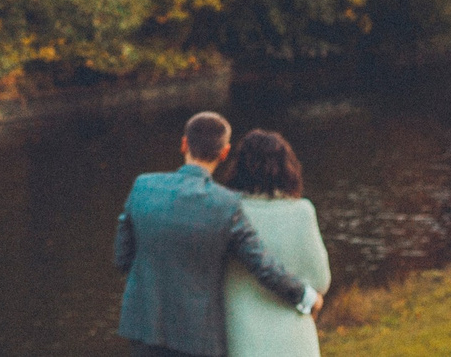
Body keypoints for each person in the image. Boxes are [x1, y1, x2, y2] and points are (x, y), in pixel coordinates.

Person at [114, 111, 319, 357]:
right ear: (224, 152)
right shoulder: (225, 204)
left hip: (144, 327)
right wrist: (306, 296)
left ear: (184, 144)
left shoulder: (143, 187)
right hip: (196, 337)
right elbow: (263, 265)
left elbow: (123, 258)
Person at [218, 130, 331, 357]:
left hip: (242, 337)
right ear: (288, 167)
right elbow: (321, 281)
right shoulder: (302, 212)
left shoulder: (225, 212)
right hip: (294, 339)